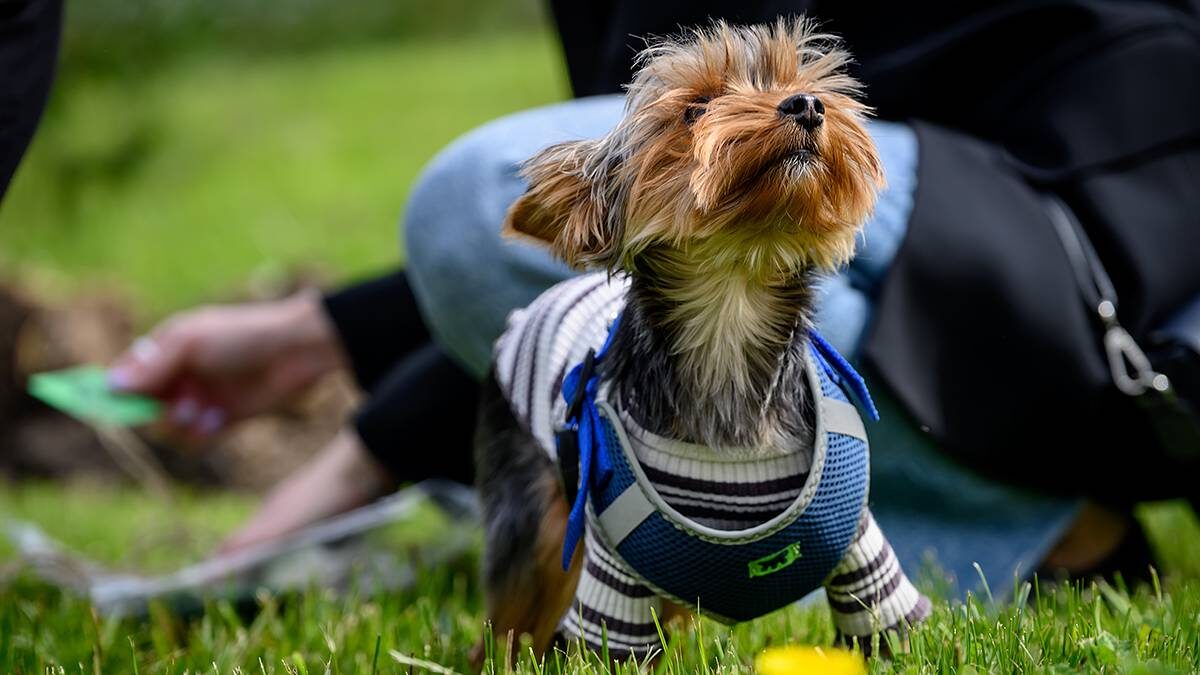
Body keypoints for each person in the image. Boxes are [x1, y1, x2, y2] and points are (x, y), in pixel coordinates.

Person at [111, 0, 1200, 592]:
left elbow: (671, 192)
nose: (802, 108)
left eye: (799, 87)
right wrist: (333, 356)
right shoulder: (610, 244)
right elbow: (634, 235)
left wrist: (348, 398)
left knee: (471, 194)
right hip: (994, 247)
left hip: (1096, 177)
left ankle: (999, 524)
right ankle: (1050, 531)